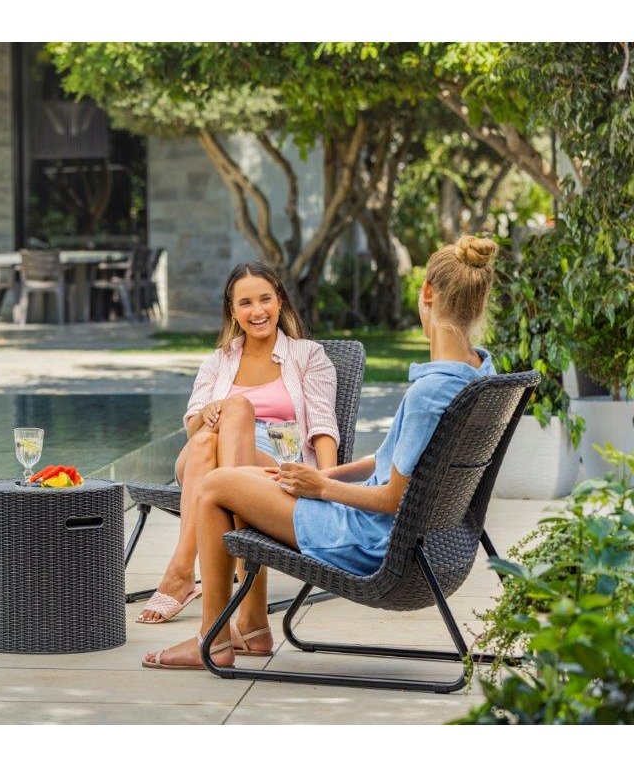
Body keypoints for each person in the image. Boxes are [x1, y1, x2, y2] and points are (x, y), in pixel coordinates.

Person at [142, 235, 499, 669]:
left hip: (365, 537)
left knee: (217, 487)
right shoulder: (480, 373)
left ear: (427, 293)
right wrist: (319, 478)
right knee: (231, 470)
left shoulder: (428, 393)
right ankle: (250, 626)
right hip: (396, 533)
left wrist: (322, 488)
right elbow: (382, 463)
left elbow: (393, 498)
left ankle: (215, 638)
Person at [136, 261, 340, 652]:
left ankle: (182, 572)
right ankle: (246, 618)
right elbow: (192, 427)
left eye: (265, 299)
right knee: (211, 433)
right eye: (245, 303)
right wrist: (209, 413)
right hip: (209, 458)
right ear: (232, 311)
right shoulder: (219, 361)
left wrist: (327, 486)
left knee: (230, 418)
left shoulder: (307, 355)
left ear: (280, 301)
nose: (257, 310)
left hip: (275, 463)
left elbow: (322, 427)